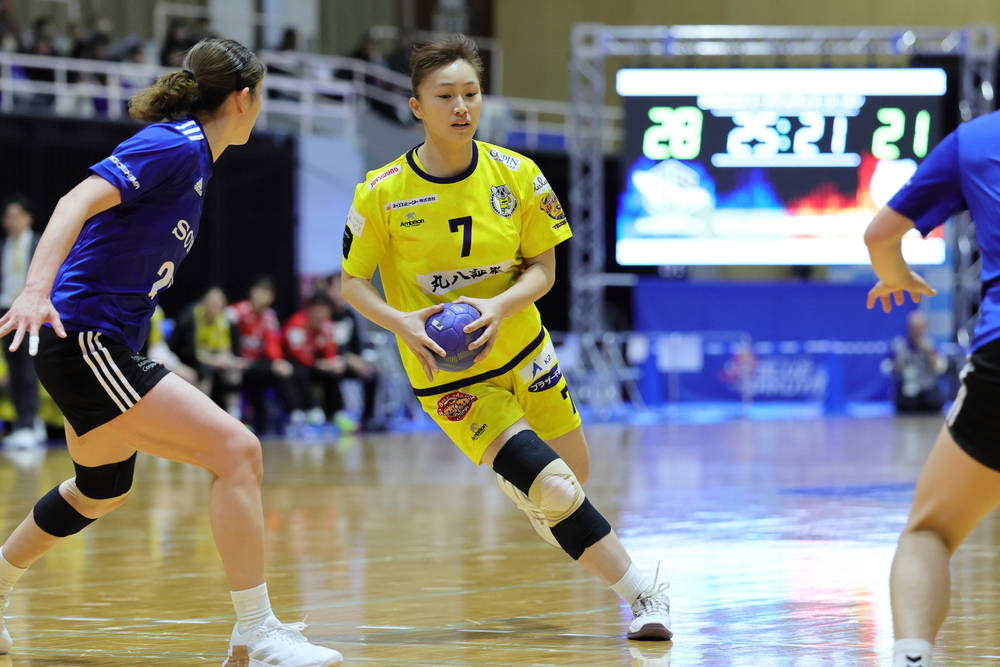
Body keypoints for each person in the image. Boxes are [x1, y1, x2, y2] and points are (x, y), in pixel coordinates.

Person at [0, 37, 342, 666]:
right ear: (243, 98)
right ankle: (258, 632)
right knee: (238, 451)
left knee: (100, 489)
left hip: (96, 341)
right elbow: (75, 200)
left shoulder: (198, 160)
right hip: (85, 339)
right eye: (262, 98)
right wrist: (34, 289)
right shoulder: (175, 144)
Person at [339, 33, 671, 641]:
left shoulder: (518, 174)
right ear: (416, 107)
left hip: (525, 349)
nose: (460, 107)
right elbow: (352, 285)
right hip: (450, 376)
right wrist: (401, 322)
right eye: (445, 96)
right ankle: (646, 595)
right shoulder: (381, 192)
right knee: (555, 488)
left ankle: (530, 480)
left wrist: (495, 306)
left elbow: (544, 270)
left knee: (573, 476)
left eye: (471, 93)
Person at [863, 105, 1000, 667]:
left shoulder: (978, 138)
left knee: (930, 534)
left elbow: (880, 234)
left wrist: (895, 275)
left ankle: (914, 657)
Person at [0, 195, 43, 448]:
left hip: (30, 312)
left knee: (28, 369)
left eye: (17, 216)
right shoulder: (3, 246)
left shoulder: (39, 244)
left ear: (28, 218)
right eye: (8, 217)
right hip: (7, 311)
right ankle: (21, 423)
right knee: (14, 369)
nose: (12, 222)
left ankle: (31, 423)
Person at [228, 276, 297, 434]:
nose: (263, 297)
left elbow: (272, 342)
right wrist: (233, 358)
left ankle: (295, 418)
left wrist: (278, 361)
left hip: (257, 363)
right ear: (252, 292)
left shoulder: (269, 316)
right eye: (260, 292)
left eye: (268, 294)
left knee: (285, 372)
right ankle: (235, 419)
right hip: (237, 361)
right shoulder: (235, 312)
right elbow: (224, 336)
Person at [169, 286, 245, 417]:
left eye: (218, 303)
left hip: (211, 359)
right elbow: (193, 352)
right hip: (186, 359)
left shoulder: (223, 319)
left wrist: (229, 361)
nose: (214, 306)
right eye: (211, 302)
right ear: (204, 301)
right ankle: (202, 416)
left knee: (234, 373)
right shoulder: (191, 316)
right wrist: (214, 361)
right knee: (205, 372)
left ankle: (234, 416)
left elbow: (224, 349)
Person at [282, 291, 350, 429]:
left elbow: (330, 349)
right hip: (294, 363)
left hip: (316, 364)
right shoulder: (296, 323)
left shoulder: (327, 326)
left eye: (325, 310)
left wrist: (332, 363)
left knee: (333, 373)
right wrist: (318, 363)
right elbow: (297, 353)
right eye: (318, 309)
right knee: (301, 372)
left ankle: (336, 413)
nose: (321, 314)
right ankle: (308, 411)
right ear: (310, 308)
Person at [325, 273, 380, 431]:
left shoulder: (350, 315)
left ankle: (367, 418)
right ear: (328, 290)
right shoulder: (324, 314)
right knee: (333, 371)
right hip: (329, 361)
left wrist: (362, 360)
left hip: (349, 361)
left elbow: (357, 344)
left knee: (372, 372)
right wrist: (346, 358)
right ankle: (334, 416)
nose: (340, 291)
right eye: (337, 287)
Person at [891, 311, 946, 413]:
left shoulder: (931, 344)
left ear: (926, 328)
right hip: (908, 389)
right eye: (914, 328)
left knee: (935, 403)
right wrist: (897, 366)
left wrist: (929, 353)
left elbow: (940, 368)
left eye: (920, 327)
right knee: (907, 404)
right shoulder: (899, 345)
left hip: (928, 388)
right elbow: (888, 367)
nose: (917, 331)